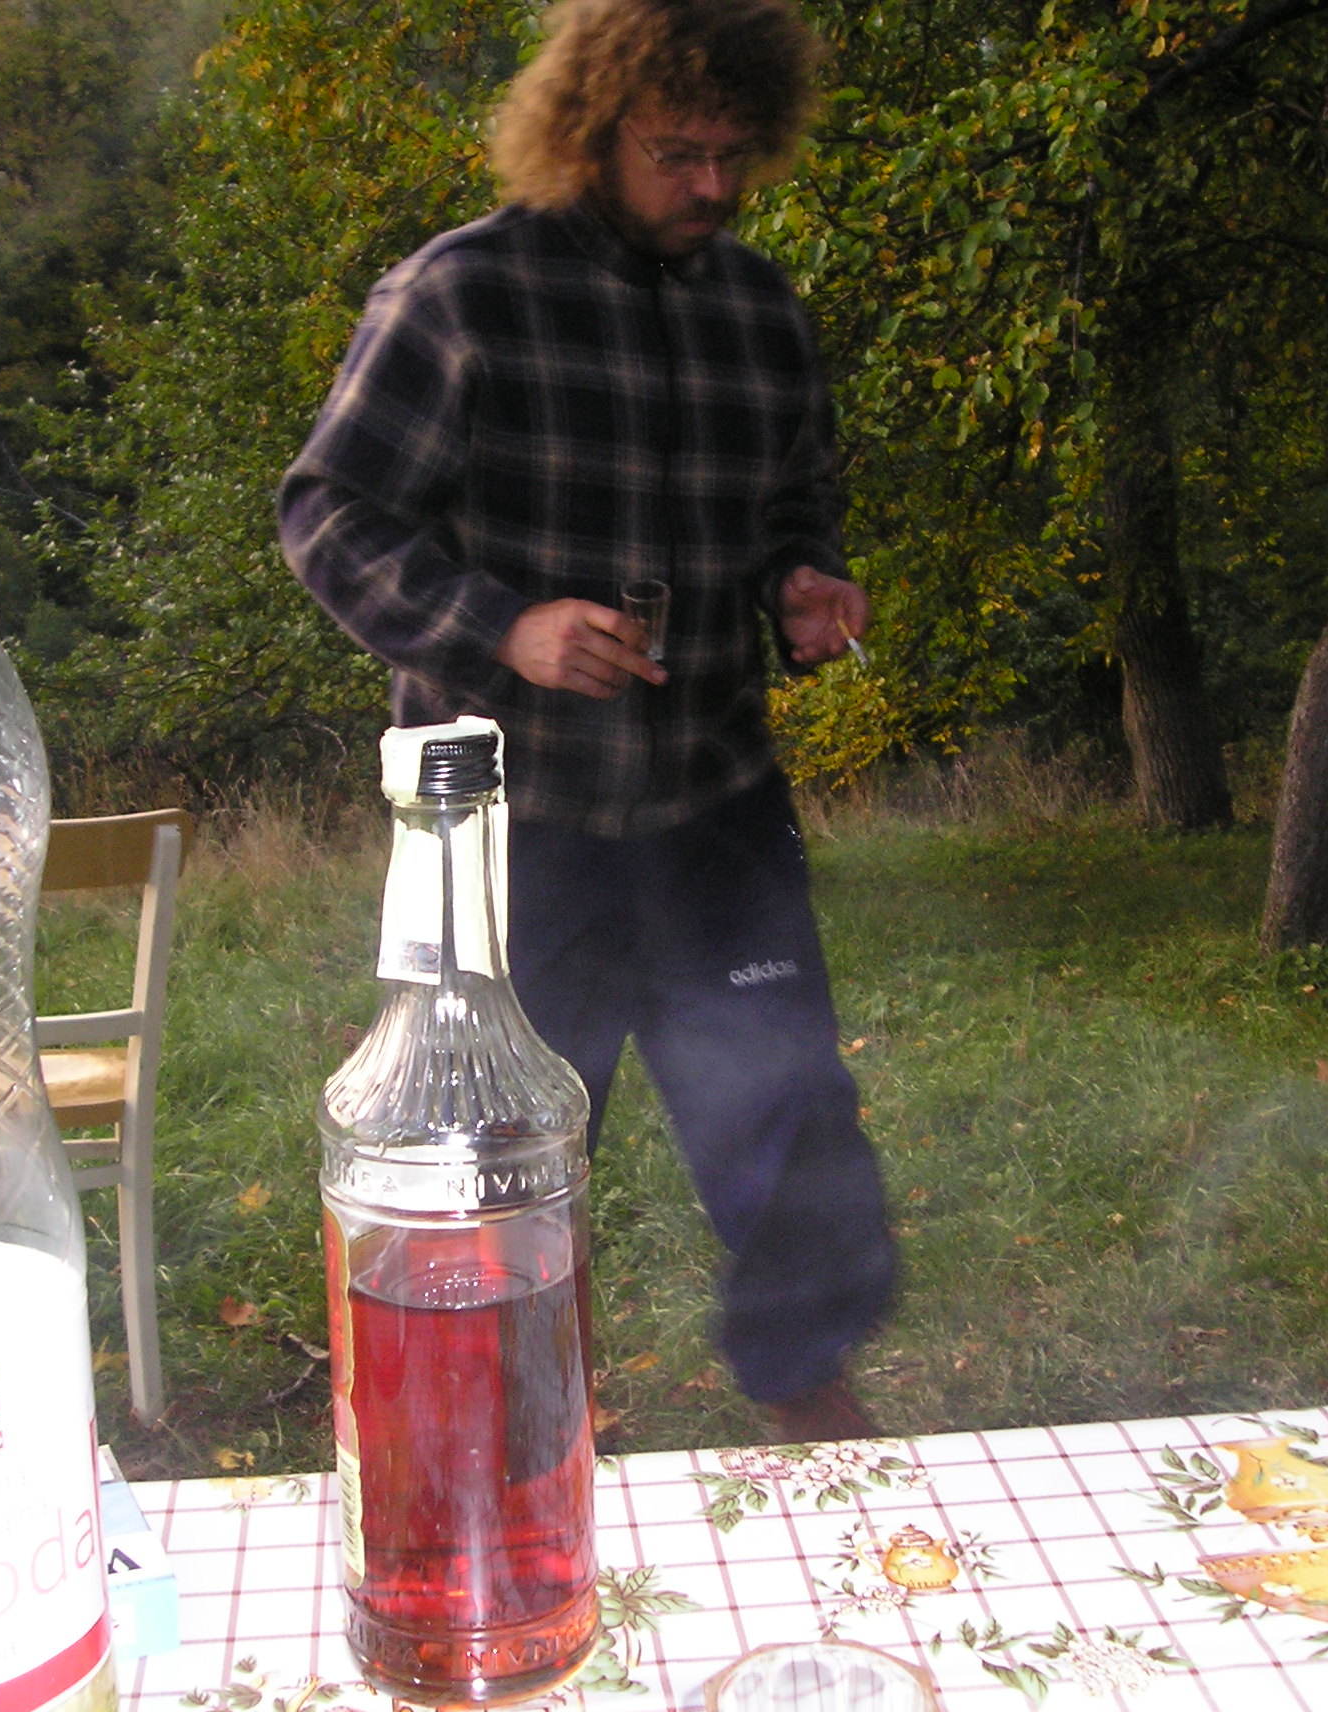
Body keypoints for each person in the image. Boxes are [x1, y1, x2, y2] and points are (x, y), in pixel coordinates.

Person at [279, 0, 895, 1442]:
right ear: (591, 131)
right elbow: (328, 515)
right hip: (507, 820)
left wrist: (803, 584)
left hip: (713, 806)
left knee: (789, 1114)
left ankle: (809, 1394)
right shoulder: (460, 295)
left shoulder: (761, 313)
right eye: (678, 153)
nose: (713, 185)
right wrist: (502, 627)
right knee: (494, 1146)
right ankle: (506, 1432)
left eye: (735, 154)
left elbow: (791, 506)